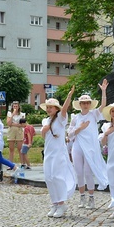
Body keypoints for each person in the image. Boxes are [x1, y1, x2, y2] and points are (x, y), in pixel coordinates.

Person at [68, 80, 109, 209]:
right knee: (78, 172)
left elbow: (103, 105)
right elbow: (69, 135)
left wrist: (103, 91)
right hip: (78, 146)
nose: (85, 105)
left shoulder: (94, 114)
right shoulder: (75, 117)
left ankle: (91, 197)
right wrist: (80, 128)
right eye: (83, 103)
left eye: (87, 103)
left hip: (90, 147)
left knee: (87, 172)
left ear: (90, 104)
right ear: (80, 104)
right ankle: (82, 196)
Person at [41, 86, 77, 218]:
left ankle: (62, 203)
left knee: (57, 176)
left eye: (51, 107)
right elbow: (45, 138)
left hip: (58, 153)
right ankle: (54, 203)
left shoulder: (61, 119)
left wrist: (68, 96)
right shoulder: (46, 120)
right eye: (48, 107)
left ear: (56, 108)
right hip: (49, 152)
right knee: (49, 178)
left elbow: (65, 108)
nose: (49, 109)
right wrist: (44, 131)